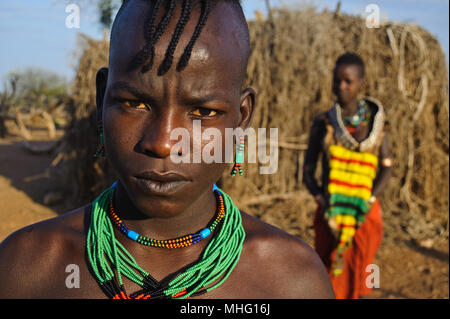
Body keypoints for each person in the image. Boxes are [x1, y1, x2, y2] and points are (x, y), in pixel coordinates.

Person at [0, 0, 334, 299]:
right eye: (135, 103)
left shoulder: (292, 282)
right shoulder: (25, 269)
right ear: (103, 100)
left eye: (203, 112)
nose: (162, 143)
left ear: (241, 118)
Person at [303, 53, 393, 299]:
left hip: (364, 212)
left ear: (361, 83)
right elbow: (308, 169)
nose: (340, 87)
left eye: (347, 81)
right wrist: (321, 199)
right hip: (330, 212)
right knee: (327, 274)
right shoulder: (324, 123)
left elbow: (387, 167)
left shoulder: (376, 124)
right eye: (337, 80)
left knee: (361, 273)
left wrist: (368, 200)